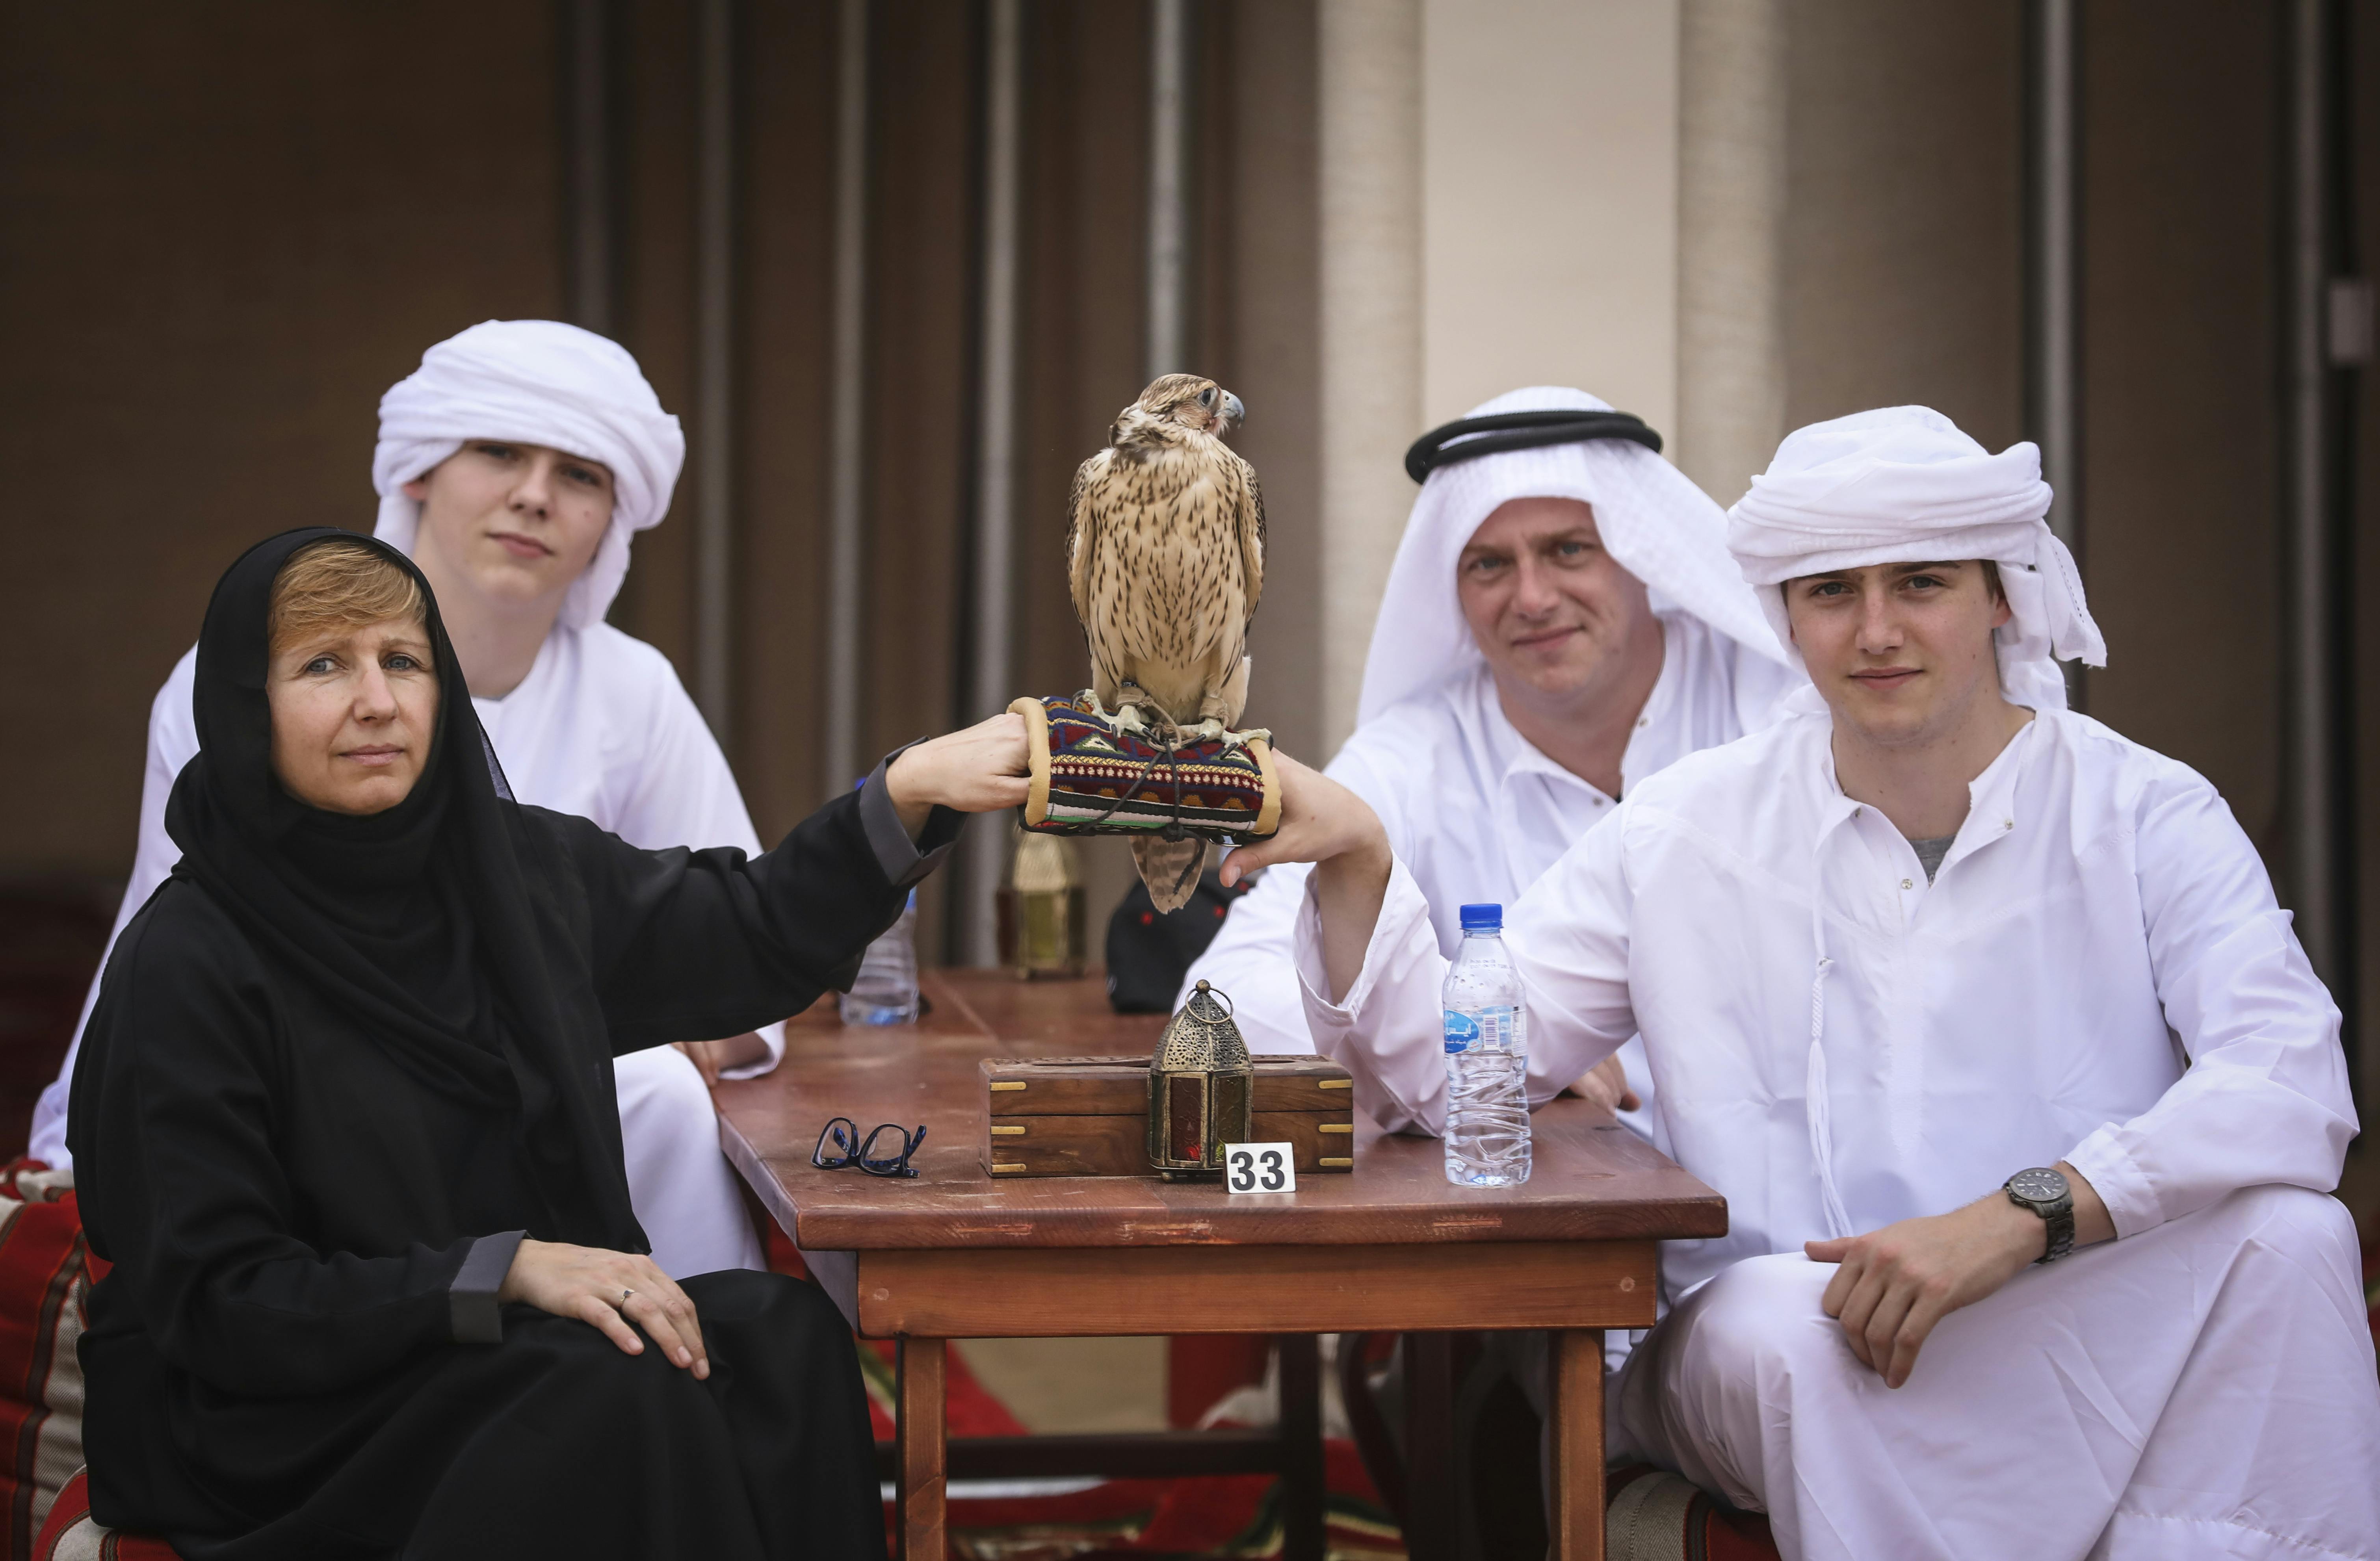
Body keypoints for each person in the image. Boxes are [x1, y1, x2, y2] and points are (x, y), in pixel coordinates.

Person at [1226, 406, 2380, 1560]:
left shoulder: (2144, 809)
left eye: (1919, 582)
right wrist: (1361, 858)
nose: (1876, 630)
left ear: (2002, 598)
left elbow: (2287, 1080)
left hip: (2056, 1291)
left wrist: (2020, 1217)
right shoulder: (1686, 825)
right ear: (1787, 614)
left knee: (2294, 1237)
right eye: (1832, 591)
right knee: (1794, 1325)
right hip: (1785, 1319)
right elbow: (1448, 1070)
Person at [69, 529, 1025, 1559]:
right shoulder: (189, 962)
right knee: (611, 1393)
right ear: (246, 705)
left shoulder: (514, 878)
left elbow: (744, 931)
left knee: (779, 1343)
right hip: (279, 1415)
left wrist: (903, 796)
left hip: (486, 1346)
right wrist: (501, 1271)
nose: (377, 700)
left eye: (402, 658)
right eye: (321, 664)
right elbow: (224, 1303)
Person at [35, 319, 776, 1277]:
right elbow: (188, 943)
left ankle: (681, 1379)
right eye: (501, 450)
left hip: (542, 1102)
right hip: (299, 1083)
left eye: (582, 475)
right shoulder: (236, 678)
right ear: (421, 469)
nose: (535, 496)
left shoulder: (633, 690)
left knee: (658, 1095)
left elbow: (742, 931)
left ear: (612, 518)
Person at [1183, 386, 1796, 1132]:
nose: (1532, 598)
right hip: (1545, 1201)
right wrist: (1504, 1046)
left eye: (1569, 550)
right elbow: (1222, 1002)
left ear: (1641, 553)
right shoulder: (1412, 753)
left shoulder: (1768, 706)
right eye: (1488, 565)